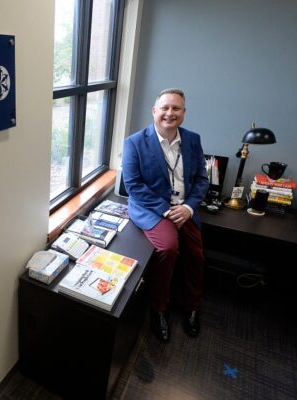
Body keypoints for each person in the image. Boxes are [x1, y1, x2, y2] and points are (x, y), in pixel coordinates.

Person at [122, 88, 209, 342]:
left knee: (197, 254)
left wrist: (189, 208)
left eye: (176, 108)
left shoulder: (193, 140)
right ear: (154, 111)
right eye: (165, 108)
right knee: (169, 248)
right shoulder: (134, 142)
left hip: (184, 208)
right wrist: (166, 210)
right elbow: (134, 186)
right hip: (152, 208)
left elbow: (202, 180)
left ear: (184, 113)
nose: (170, 113)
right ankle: (158, 309)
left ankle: (192, 306)